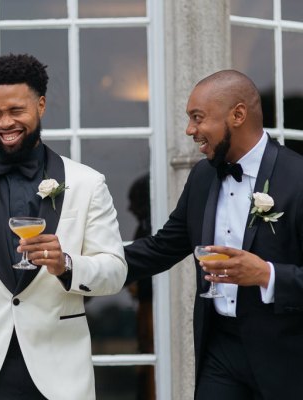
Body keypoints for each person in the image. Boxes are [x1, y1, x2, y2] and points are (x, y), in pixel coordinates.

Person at [0, 53, 127, 400]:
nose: (4, 123)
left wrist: (67, 265)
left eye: (16, 111)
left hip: (61, 376)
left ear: (41, 105)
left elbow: (114, 272)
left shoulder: (88, 182)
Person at [124, 70, 303, 400]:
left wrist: (267, 275)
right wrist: (84, 263)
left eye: (197, 118)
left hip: (288, 359)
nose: (190, 130)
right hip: (220, 351)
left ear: (237, 114)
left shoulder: (297, 178)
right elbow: (162, 247)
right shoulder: (203, 176)